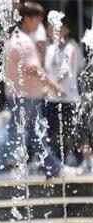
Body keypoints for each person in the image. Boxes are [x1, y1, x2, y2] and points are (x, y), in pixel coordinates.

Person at [0, 1, 79, 179]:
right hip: (25, 96)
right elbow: (34, 69)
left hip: (24, 95)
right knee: (15, 133)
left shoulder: (17, 38)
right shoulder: (23, 41)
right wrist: (54, 87)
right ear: (28, 19)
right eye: (39, 20)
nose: (41, 24)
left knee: (36, 135)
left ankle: (53, 168)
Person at [44, 16, 88, 167]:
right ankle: (60, 159)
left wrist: (51, 84)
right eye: (50, 28)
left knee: (76, 131)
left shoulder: (71, 47)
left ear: (66, 30)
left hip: (69, 97)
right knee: (53, 132)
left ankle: (88, 159)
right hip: (52, 98)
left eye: (56, 28)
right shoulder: (49, 48)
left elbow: (67, 69)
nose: (52, 31)